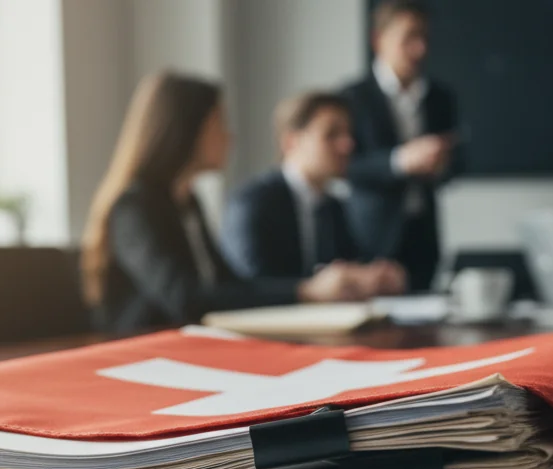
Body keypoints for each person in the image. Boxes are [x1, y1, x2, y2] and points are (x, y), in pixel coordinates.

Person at [80, 73, 379, 333]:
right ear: (186, 130)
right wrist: (306, 290)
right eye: (218, 122)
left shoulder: (187, 202)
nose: (229, 136)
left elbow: (230, 284)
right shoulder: (135, 207)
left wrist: (311, 290)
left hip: (185, 348)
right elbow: (186, 299)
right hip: (139, 359)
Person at [221, 90, 406, 296]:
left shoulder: (333, 206)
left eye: (348, 134)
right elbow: (252, 286)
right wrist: (313, 289)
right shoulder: (253, 202)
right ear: (291, 142)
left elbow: (347, 264)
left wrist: (373, 275)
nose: (348, 144)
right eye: (332, 134)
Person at [340, 0, 463, 291]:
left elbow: (459, 163)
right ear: (379, 39)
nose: (420, 49)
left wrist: (440, 164)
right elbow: (345, 165)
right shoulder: (353, 97)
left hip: (423, 236)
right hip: (371, 237)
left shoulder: (440, 98)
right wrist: (400, 161)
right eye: (409, 37)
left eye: (424, 38)